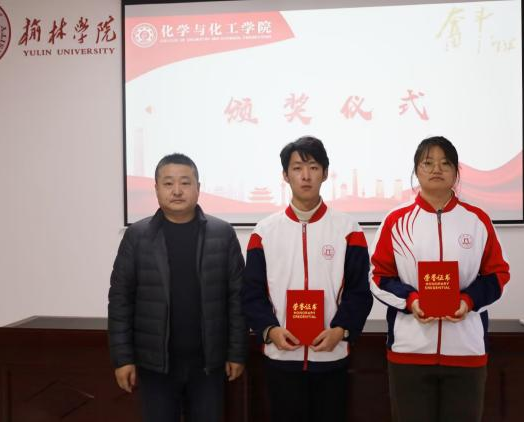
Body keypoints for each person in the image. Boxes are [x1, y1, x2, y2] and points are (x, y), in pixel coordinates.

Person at [369, 136, 510, 422]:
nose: (437, 169)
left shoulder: (477, 219)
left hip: (466, 351)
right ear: (416, 170)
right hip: (409, 351)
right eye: (428, 162)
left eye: (445, 163)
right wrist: (411, 301)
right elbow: (379, 276)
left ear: (456, 172)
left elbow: (497, 275)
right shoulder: (396, 221)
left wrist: (468, 301)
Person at [241, 136, 373, 422]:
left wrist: (341, 330)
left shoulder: (348, 229)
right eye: (297, 168)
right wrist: (270, 331)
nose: (305, 175)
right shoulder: (264, 232)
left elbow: (359, 291)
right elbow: (251, 293)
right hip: (281, 358)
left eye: (313, 167)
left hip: (331, 356)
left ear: (325, 173)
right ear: (285, 175)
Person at [108, 153, 247, 422]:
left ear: (198, 187)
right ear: (156, 189)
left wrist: (236, 353)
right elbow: (120, 300)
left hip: (208, 364)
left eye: (185, 182)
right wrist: (122, 359)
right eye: (168, 183)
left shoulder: (222, 234)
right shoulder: (137, 236)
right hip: (155, 365)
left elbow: (237, 299)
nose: (177, 190)